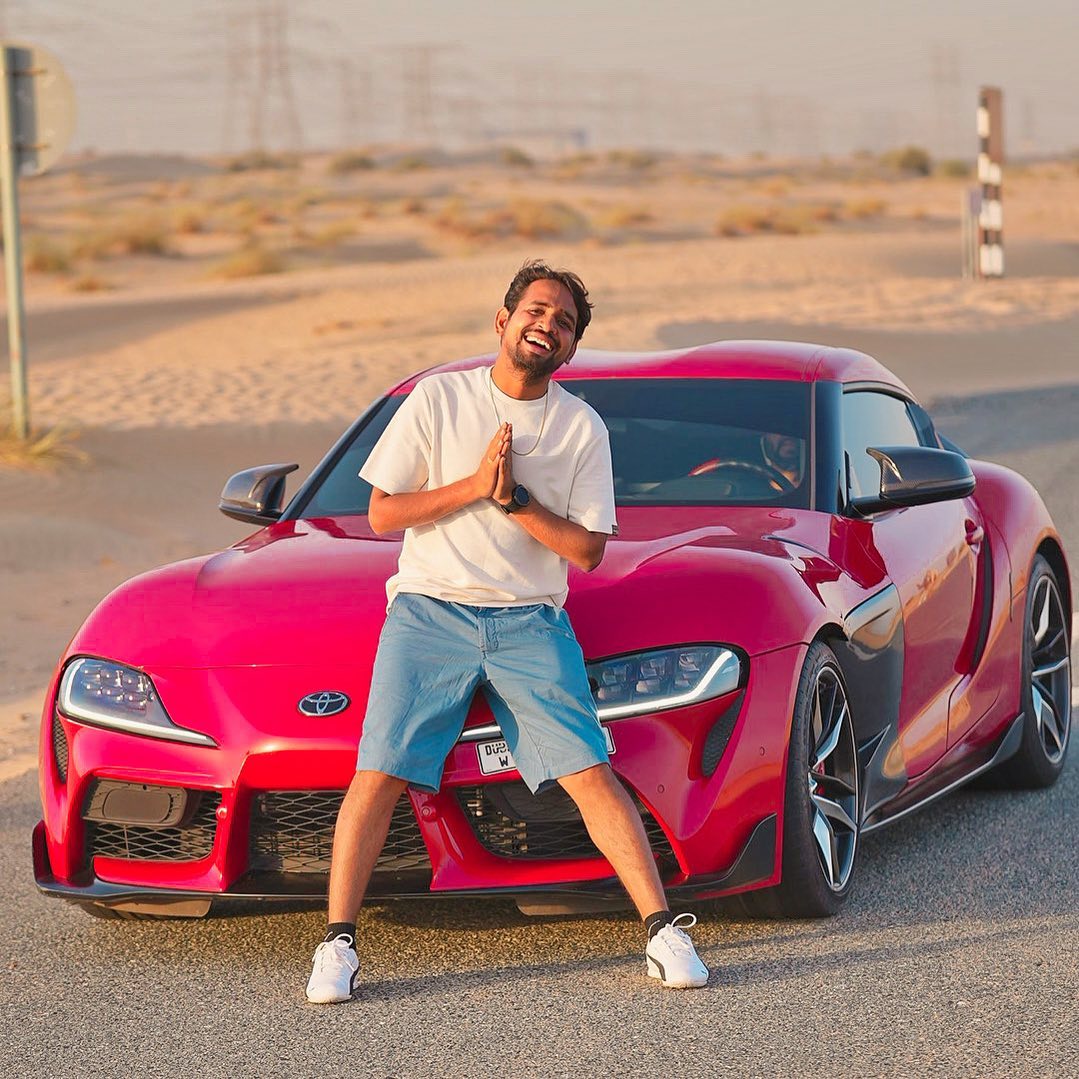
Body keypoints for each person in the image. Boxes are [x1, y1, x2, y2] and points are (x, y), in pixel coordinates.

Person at [305, 260, 709, 1003]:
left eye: (561, 323)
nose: (545, 325)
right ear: (502, 320)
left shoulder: (579, 427)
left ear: (569, 349)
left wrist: (514, 497)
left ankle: (662, 930)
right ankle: (336, 945)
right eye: (536, 310)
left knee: (588, 769)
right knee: (380, 768)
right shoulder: (440, 397)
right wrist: (474, 486)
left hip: (530, 620)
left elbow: (586, 549)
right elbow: (383, 513)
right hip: (428, 611)